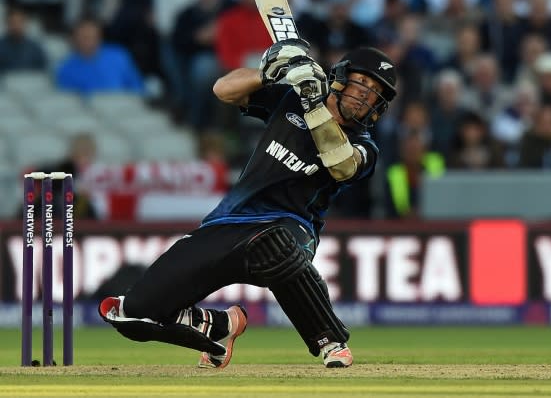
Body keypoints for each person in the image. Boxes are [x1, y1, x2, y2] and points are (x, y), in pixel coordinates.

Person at [98, 39, 397, 369]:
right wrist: (269, 72)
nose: (367, 95)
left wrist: (315, 108)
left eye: (375, 92)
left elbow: (343, 166)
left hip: (290, 225)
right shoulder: (291, 98)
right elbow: (224, 90)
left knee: (273, 244)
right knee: (133, 313)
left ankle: (330, 340)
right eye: (363, 83)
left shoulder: (365, 146)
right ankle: (219, 326)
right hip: (229, 222)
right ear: (340, 77)